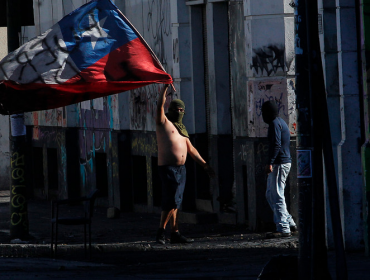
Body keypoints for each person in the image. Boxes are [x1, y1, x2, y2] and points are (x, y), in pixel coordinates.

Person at [155, 84, 215, 244]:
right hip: (168, 168)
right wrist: (164, 90)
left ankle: (175, 232)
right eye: (176, 109)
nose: (179, 112)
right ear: (170, 110)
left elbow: (192, 149)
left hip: (181, 169)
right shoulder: (163, 123)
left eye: (182, 110)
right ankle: (161, 232)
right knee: (171, 200)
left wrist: (204, 165)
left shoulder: (182, 129)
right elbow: (159, 106)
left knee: (177, 201)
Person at [261, 100, 297, 238]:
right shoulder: (280, 122)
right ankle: (289, 221)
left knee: (276, 195)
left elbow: (276, 144)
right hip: (282, 162)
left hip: (279, 163)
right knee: (271, 194)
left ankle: (283, 227)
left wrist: (270, 162)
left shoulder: (275, 124)